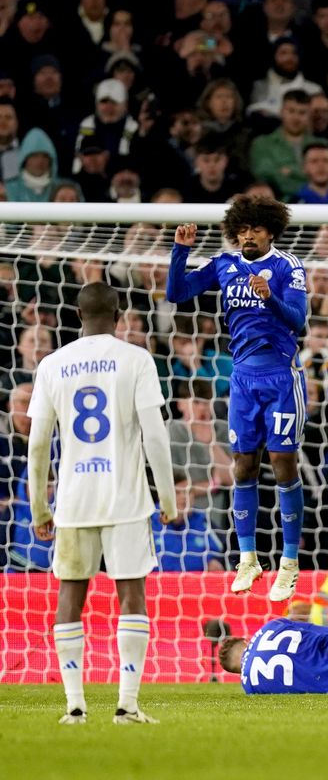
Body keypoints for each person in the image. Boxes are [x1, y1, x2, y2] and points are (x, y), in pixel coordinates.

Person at [28, 282, 178, 725]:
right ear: (120, 316)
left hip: (74, 502)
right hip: (127, 500)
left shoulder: (52, 364)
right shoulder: (137, 360)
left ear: (76, 315)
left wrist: (40, 507)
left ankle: (74, 705)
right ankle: (127, 706)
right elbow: (155, 436)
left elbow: (38, 445)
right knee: (131, 595)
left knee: (70, 597)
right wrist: (166, 498)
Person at [167, 196, 308, 601]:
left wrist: (269, 298)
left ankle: (290, 563)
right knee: (244, 466)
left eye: (256, 229)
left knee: (282, 462)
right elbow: (178, 294)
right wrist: (181, 251)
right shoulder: (225, 265)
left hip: (281, 375)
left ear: (271, 231)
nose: (248, 236)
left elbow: (298, 320)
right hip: (243, 378)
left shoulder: (287, 266)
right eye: (242, 230)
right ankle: (248, 558)